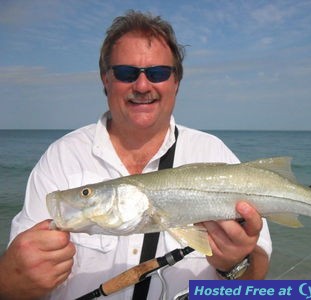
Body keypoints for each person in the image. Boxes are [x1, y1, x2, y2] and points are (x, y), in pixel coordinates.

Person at [0, 10, 271, 299]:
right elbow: (13, 288)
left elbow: (253, 285)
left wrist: (233, 264)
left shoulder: (215, 153)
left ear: (176, 82)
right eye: (126, 73)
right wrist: (11, 278)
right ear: (106, 79)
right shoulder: (62, 158)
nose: (142, 86)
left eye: (158, 73)